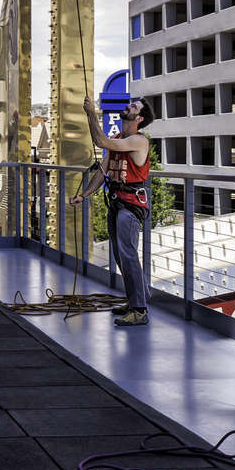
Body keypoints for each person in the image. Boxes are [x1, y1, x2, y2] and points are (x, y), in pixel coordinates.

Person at [74, 95, 156, 327]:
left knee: (128, 255)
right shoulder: (120, 138)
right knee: (121, 256)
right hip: (118, 201)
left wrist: (91, 113)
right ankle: (133, 301)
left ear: (138, 118)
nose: (128, 106)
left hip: (131, 205)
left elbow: (100, 141)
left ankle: (140, 310)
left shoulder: (139, 141)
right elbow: (103, 170)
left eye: (133, 107)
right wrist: (84, 195)